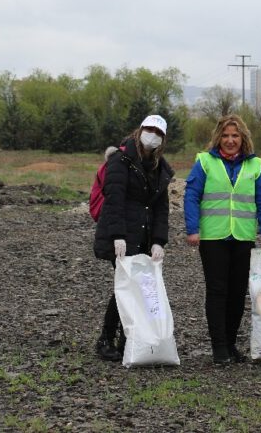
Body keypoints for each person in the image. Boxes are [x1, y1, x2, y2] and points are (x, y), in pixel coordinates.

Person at [184, 114, 261, 365]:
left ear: (243, 138)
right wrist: (192, 228)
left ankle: (231, 343)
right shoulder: (205, 162)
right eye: (225, 135)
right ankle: (219, 347)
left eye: (235, 135)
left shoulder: (255, 166)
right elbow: (191, 195)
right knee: (217, 291)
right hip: (213, 237)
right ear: (218, 138)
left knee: (237, 293)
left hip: (243, 236)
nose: (230, 140)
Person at [93, 114, 174, 361]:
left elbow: (161, 207)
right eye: (149, 130)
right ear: (140, 130)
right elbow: (114, 199)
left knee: (136, 287)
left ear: (163, 139)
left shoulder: (159, 167)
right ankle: (106, 338)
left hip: (144, 236)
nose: (153, 136)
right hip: (122, 235)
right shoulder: (120, 160)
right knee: (127, 286)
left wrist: (159, 240)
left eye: (158, 133)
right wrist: (117, 235)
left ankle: (126, 339)